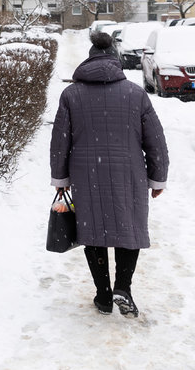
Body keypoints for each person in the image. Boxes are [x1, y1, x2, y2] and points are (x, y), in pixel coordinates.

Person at [49, 31, 169, 317]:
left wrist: (60, 177)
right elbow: (155, 139)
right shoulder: (135, 94)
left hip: (85, 173)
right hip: (129, 174)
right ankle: (123, 288)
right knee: (128, 228)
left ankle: (103, 296)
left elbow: (60, 140)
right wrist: (158, 177)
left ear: (88, 60)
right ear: (116, 62)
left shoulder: (71, 95)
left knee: (93, 231)